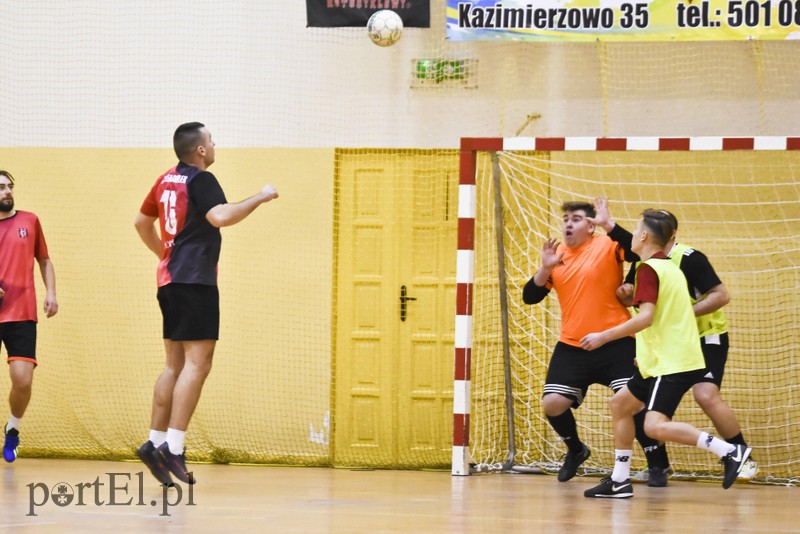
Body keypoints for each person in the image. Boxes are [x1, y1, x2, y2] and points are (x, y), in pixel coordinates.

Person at [134, 123, 279, 486]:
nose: (214, 145)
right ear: (199, 150)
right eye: (211, 140)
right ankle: (175, 447)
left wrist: (163, 255)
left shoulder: (166, 179)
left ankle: (154, 443)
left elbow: (141, 222)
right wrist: (261, 196)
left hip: (169, 281)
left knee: (174, 365)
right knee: (199, 364)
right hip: (195, 280)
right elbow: (220, 216)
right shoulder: (201, 180)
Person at [580, 209, 751, 499]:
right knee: (621, 404)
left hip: (672, 363)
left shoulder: (649, 270)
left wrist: (603, 336)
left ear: (644, 236)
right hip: (664, 358)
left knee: (654, 425)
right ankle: (620, 479)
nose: (632, 235)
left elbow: (647, 318)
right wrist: (645, 352)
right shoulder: (668, 267)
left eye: (635, 230)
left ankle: (729, 451)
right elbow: (669, 318)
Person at [522, 201, 671, 485]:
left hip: (615, 341)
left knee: (632, 403)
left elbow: (636, 251)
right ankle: (576, 450)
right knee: (552, 404)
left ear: (590, 226)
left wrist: (608, 224)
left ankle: (658, 464)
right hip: (573, 345)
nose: (568, 223)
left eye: (576, 219)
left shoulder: (606, 244)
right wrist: (544, 269)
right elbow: (530, 296)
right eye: (565, 218)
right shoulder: (557, 256)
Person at [0, 170, 58, 463]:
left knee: (22, 380)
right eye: (1, 188)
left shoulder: (29, 221)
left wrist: (51, 292)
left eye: (10, 186)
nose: (7, 191)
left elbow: (44, 260)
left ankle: (13, 430)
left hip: (21, 313)